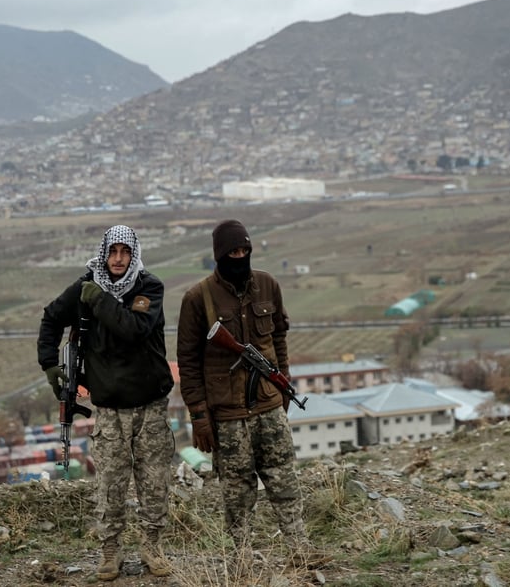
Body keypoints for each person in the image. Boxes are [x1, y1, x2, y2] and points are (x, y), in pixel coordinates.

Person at [176, 219, 327, 568]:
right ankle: (240, 559)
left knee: (284, 478)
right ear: (219, 255)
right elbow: (187, 361)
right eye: (232, 252)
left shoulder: (267, 286)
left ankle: (300, 549)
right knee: (237, 492)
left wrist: (283, 384)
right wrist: (199, 415)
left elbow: (278, 340)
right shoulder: (198, 299)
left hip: (269, 406)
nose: (239, 257)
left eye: (244, 250)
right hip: (227, 415)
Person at [37, 224, 175, 581]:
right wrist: (50, 365)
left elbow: (133, 328)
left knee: (154, 481)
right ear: (104, 254)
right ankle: (110, 552)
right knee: (111, 484)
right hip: (110, 408)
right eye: (112, 252)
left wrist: (97, 298)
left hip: (150, 405)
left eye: (124, 252)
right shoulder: (85, 286)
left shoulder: (149, 288)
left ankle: (152, 548)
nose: (117, 259)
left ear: (133, 255)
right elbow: (51, 318)